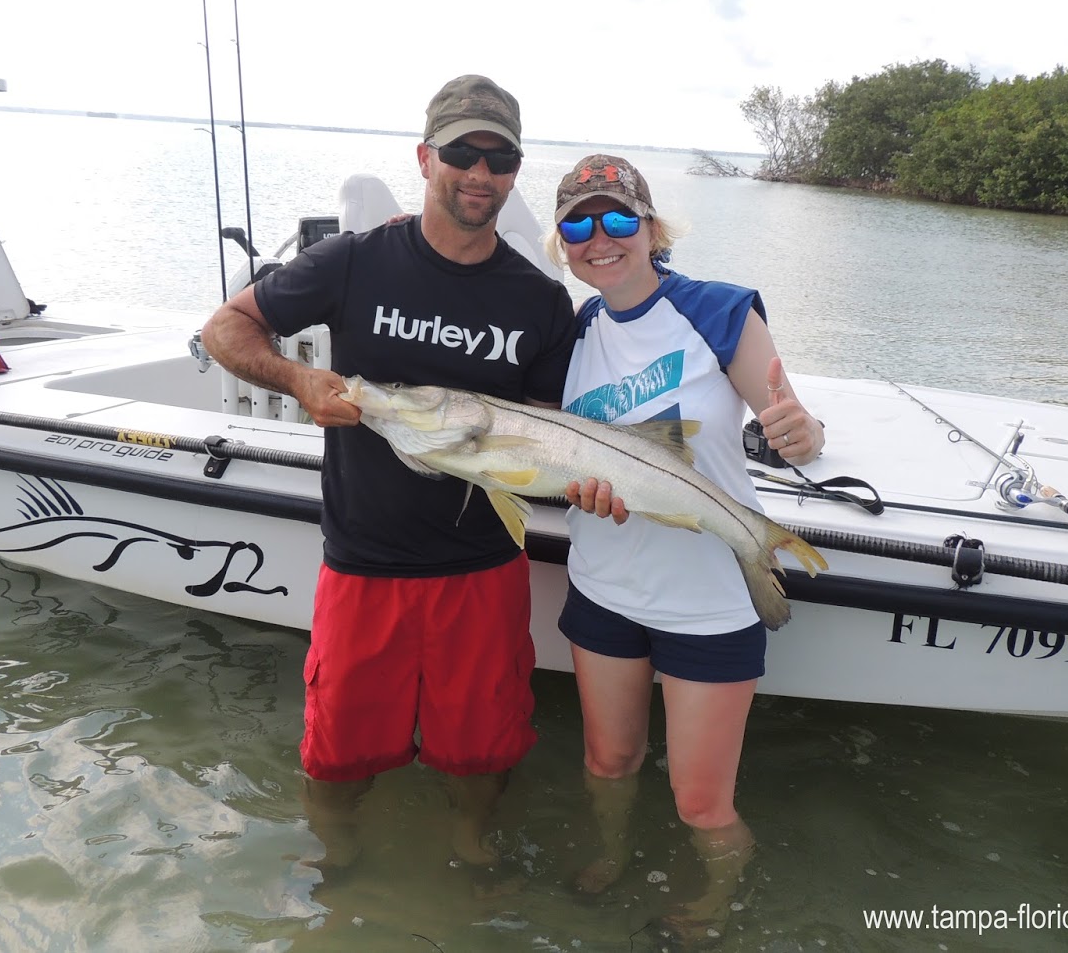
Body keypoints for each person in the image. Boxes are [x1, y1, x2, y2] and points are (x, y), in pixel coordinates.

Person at [199, 75, 580, 876]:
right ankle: (336, 869)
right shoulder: (353, 262)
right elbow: (226, 326)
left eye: (500, 158)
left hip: (482, 568)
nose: (479, 173)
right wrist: (298, 379)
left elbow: (550, 436)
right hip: (363, 562)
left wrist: (587, 481)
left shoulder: (542, 302)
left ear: (516, 172)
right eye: (462, 152)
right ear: (425, 156)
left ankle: (471, 849)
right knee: (336, 753)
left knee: (483, 751)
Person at [545, 154, 824, 937]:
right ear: (563, 245)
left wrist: (803, 433)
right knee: (608, 763)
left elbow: (791, 423)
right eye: (578, 226)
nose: (600, 238)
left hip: (708, 597)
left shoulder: (719, 310)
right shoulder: (577, 330)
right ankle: (611, 851)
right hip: (603, 585)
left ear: (652, 227)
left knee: (702, 803)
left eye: (618, 218)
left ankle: (714, 901)